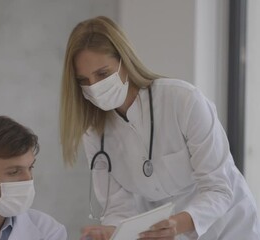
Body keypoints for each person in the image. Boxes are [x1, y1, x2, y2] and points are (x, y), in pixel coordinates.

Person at [59, 16, 260, 240]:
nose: (94, 87)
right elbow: (117, 209)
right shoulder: (95, 132)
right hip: (166, 233)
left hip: (231, 226)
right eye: (84, 81)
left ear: (124, 61)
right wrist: (112, 231)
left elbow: (219, 189)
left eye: (103, 74)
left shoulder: (183, 101)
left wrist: (177, 223)